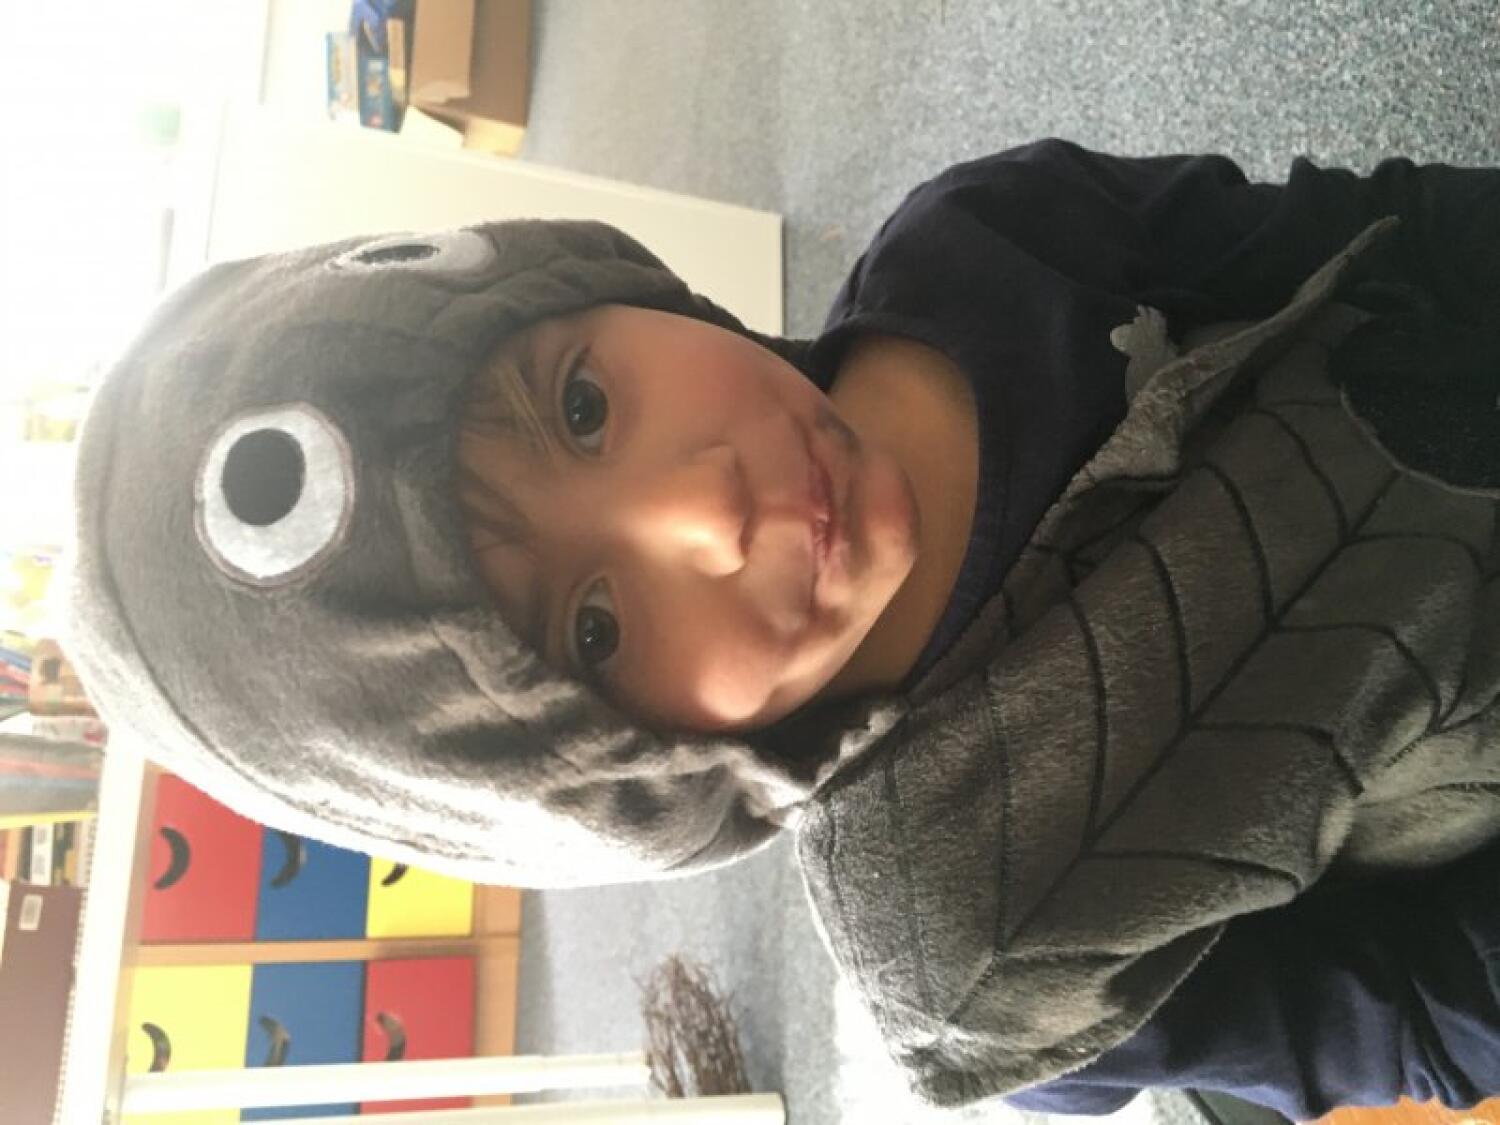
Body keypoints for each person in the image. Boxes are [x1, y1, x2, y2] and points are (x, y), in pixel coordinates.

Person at [65, 139, 1500, 1116]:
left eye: (584, 406)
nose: (710, 507)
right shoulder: (971, 956)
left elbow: (1374, 228)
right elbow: (1425, 1011)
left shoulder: (982, 243)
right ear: (611, 776)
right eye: (597, 626)